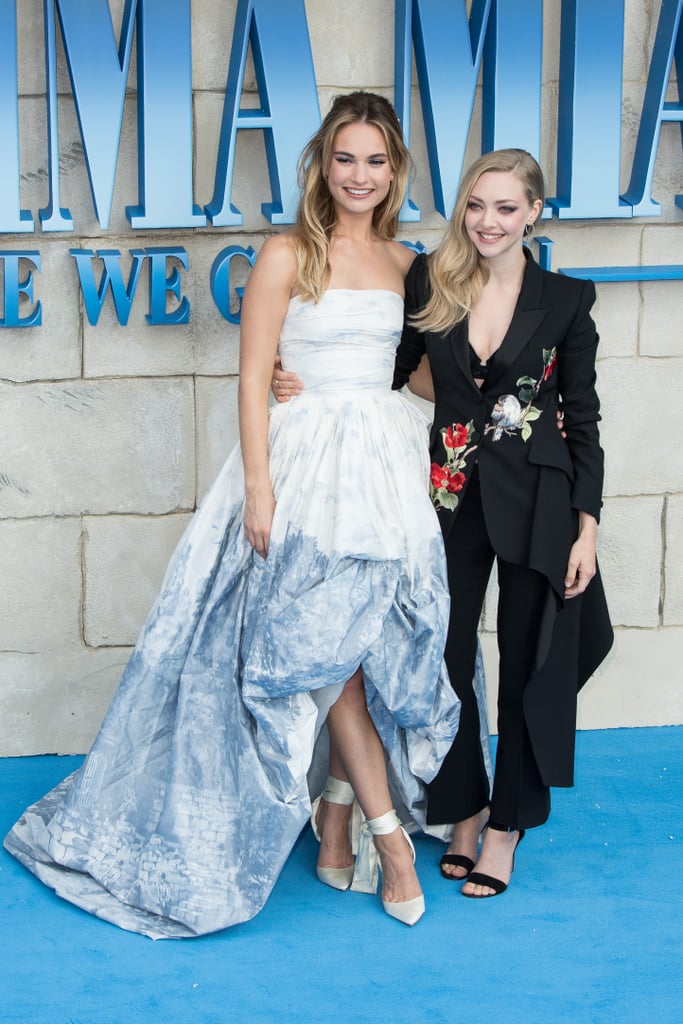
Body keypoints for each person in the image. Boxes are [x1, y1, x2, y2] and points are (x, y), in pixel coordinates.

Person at [3, 92, 468, 938]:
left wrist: (475, 369)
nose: (359, 175)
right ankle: (386, 837)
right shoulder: (290, 252)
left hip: (380, 471)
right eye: (344, 159)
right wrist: (260, 486)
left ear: (395, 170)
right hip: (297, 470)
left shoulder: (411, 266)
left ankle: (338, 822)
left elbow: (420, 380)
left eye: (375, 161)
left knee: (355, 643)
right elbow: (254, 375)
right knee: (322, 644)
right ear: (322, 166)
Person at [274, 148, 613, 899]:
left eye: (504, 208)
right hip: (447, 499)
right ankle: (461, 808)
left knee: (525, 669)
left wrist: (586, 529)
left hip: (541, 508)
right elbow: (386, 365)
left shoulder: (564, 299)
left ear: (532, 214)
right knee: (442, 662)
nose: (486, 222)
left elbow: (583, 419)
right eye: (474, 206)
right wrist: (283, 368)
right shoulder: (431, 280)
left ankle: (504, 827)